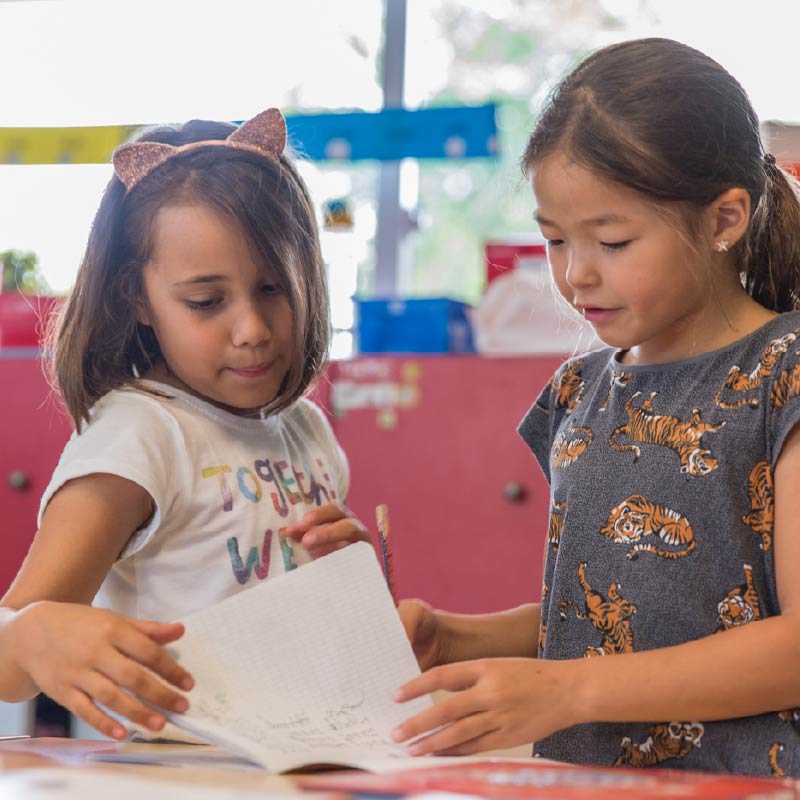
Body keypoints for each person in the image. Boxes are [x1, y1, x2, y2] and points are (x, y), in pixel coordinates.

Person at [392, 38, 800, 776]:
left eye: (612, 240)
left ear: (723, 219)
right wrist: (456, 642)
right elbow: (607, 619)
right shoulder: (579, 392)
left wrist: (567, 689)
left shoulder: (784, 375)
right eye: (553, 239)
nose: (575, 273)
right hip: (581, 783)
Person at [0, 109, 368, 741]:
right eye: (206, 301)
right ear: (136, 299)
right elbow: (14, 656)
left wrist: (352, 572)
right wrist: (31, 635)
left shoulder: (306, 430)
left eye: (275, 288)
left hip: (299, 764)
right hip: (168, 776)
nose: (252, 329)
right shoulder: (139, 435)